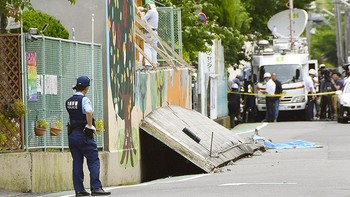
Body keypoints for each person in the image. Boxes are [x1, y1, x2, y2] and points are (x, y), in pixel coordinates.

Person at [66, 76, 111, 196]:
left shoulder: (69, 100)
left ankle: (79, 190)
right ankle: (96, 188)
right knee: (93, 161)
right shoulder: (85, 100)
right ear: (86, 88)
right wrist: (90, 126)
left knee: (77, 162)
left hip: (72, 135)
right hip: (83, 134)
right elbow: (89, 112)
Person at [141, 3, 159, 69]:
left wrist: (142, 12)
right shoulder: (155, 12)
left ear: (149, 6)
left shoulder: (150, 12)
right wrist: (144, 10)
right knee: (154, 48)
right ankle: (154, 63)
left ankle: (148, 64)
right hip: (155, 32)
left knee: (147, 47)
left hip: (149, 32)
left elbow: (143, 20)